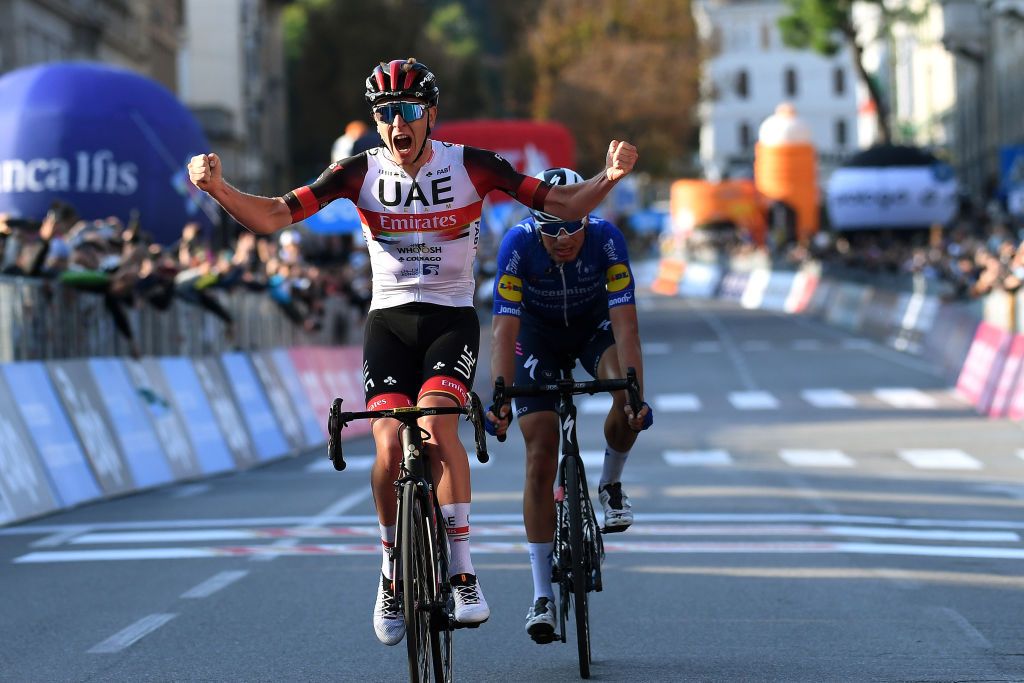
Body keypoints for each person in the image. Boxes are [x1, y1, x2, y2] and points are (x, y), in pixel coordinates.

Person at [187, 57, 638, 647]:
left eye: (406, 111)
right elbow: (273, 215)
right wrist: (217, 187)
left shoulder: (472, 165)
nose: (396, 123)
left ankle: (464, 574)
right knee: (387, 441)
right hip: (389, 322)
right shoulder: (357, 172)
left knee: (436, 426)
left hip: (450, 320)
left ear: (429, 115)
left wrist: (608, 178)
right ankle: (391, 572)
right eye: (384, 113)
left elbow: (562, 206)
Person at [485, 167, 652, 644]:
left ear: (586, 217)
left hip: (591, 331)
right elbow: (504, 329)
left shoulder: (607, 240)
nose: (561, 239)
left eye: (571, 227)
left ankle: (611, 483)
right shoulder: (517, 245)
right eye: (550, 229)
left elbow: (626, 326)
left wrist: (635, 392)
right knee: (540, 451)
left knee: (626, 398)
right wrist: (499, 393)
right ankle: (541, 594)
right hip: (536, 339)